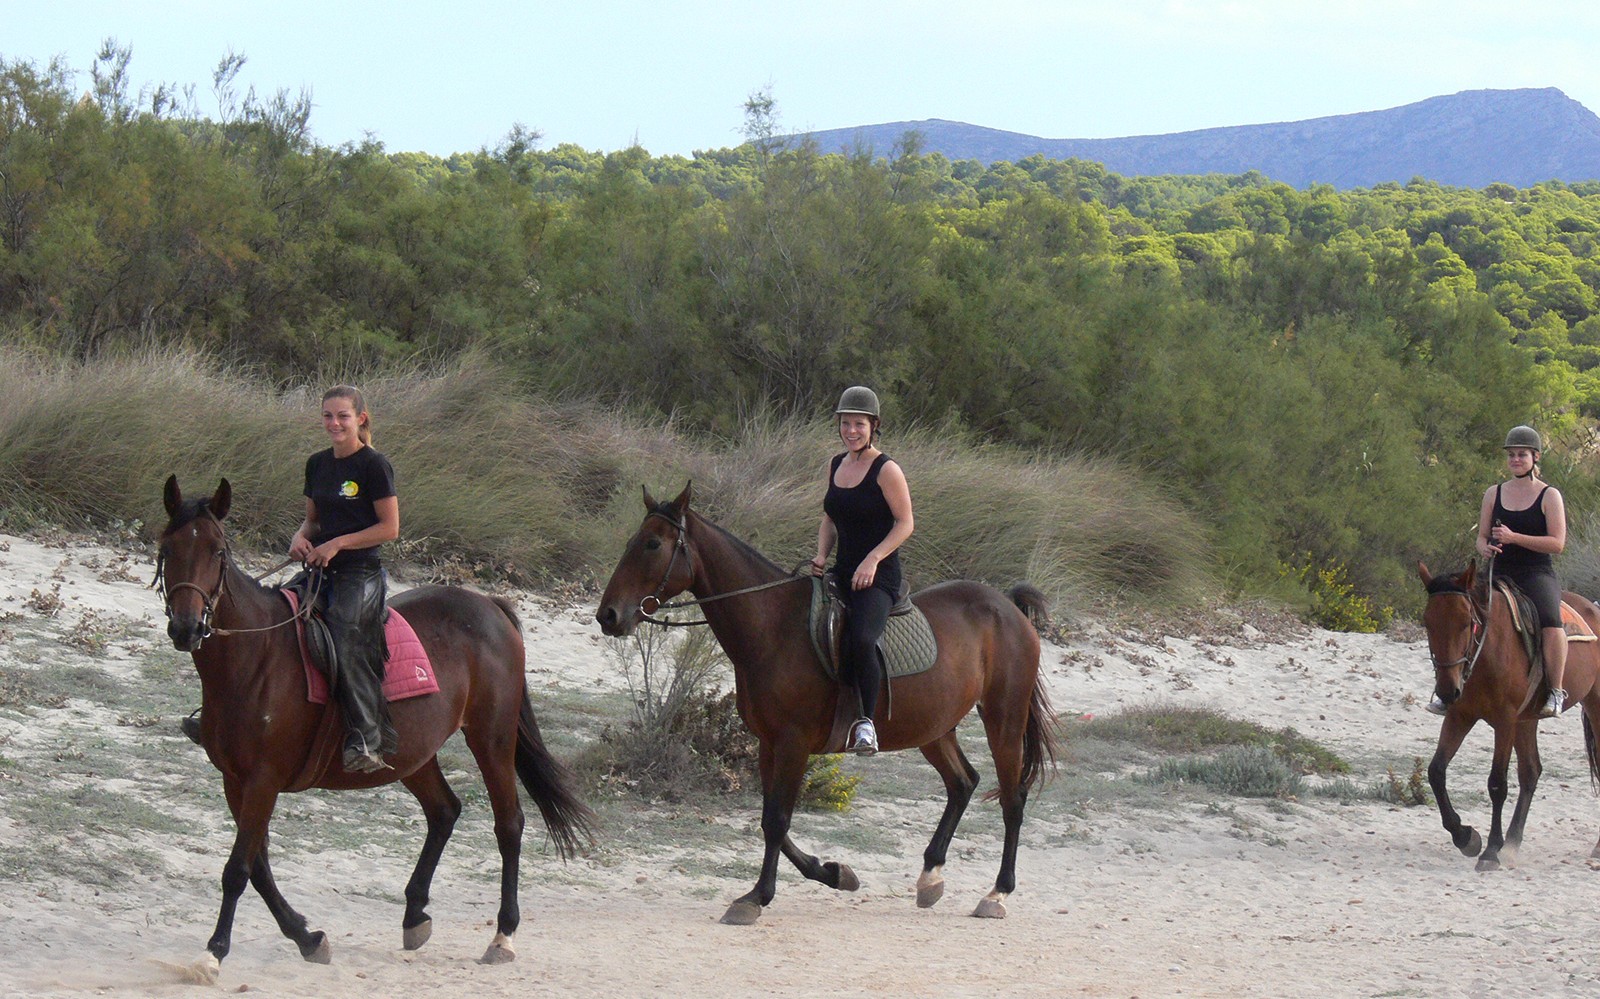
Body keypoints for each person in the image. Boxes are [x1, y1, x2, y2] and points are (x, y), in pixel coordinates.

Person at [182, 386, 400, 773]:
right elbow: (313, 519)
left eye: (343, 416)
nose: (334, 423)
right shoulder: (318, 464)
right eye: (328, 416)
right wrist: (300, 537)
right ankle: (224, 714)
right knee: (268, 619)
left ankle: (367, 735)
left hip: (360, 574)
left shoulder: (374, 465)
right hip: (319, 570)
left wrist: (336, 544)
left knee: (347, 632)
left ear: (360, 419)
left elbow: (389, 528)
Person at [1432, 425, 1568, 719]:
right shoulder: (1493, 493)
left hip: (1535, 572)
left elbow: (1557, 543)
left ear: (1535, 457)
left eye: (1522, 455)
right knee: (1456, 613)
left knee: (1551, 619)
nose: (1516, 460)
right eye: (1512, 455)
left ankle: (1556, 691)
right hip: (1497, 569)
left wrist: (1514, 537)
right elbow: (1481, 537)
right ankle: (1445, 689)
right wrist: (1483, 548)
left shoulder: (1548, 495)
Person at [810, 386, 915, 756]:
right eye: (845, 423)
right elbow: (829, 517)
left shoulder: (887, 470)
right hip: (842, 570)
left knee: (862, 639)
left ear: (874, 426)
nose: (851, 430)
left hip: (879, 577)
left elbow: (905, 524)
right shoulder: (836, 464)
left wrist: (873, 559)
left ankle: (866, 723)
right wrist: (821, 557)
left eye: (859, 423)